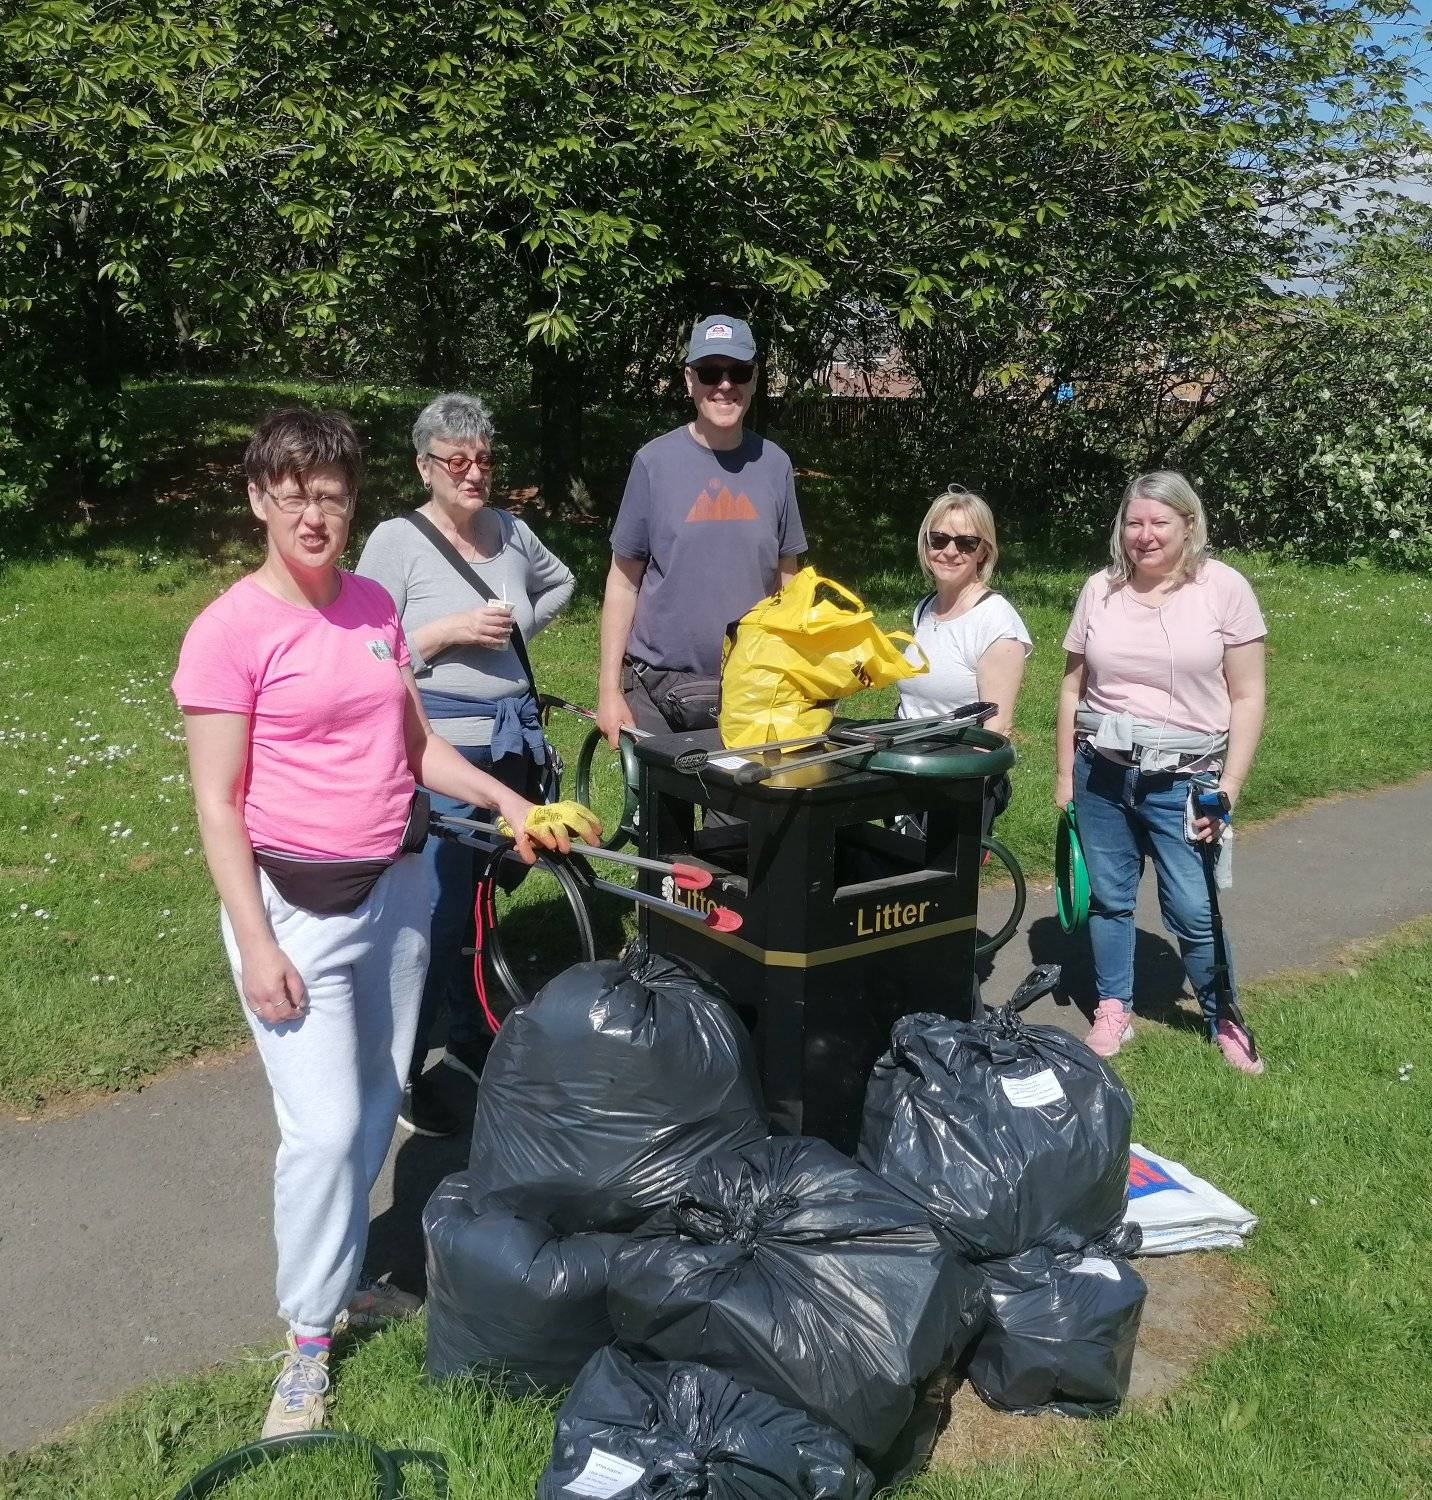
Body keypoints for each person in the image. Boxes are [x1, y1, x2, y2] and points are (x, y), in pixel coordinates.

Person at [172, 407, 565, 1439]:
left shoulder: (374, 610)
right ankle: (305, 1344)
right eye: (293, 494)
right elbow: (217, 801)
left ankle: (341, 1277)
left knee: (372, 1104)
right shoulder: (228, 631)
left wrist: (512, 803)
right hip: (295, 909)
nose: (314, 514)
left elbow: (416, 752)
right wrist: (255, 940)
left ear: (352, 503)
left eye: (331, 495)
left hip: (397, 892)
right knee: (321, 1131)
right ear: (259, 499)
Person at [356, 393, 575, 1136]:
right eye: (458, 461)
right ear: (426, 466)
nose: (475, 473)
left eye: (484, 459)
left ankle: (473, 1036)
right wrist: (447, 633)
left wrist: (518, 637)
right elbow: (366, 647)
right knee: (438, 910)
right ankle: (406, 1071)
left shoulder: (511, 531)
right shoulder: (396, 539)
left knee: (483, 899)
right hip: (440, 748)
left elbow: (562, 582)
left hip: (512, 744)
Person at [1054, 470, 1267, 1073]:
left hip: (1186, 779)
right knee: (1109, 900)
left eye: (1159, 523)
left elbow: (1248, 697)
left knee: (1194, 908)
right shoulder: (1100, 589)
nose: (1144, 536)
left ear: (1189, 525)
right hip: (1103, 773)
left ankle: (1222, 1012)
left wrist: (1227, 789)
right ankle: (1113, 1006)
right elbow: (1072, 688)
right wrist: (1065, 776)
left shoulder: (1222, 588)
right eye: (1134, 522)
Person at [596, 315, 806, 744]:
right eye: (710, 372)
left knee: (737, 811)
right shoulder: (654, 463)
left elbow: (790, 582)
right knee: (659, 812)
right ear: (689, 380)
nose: (724, 385)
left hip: (751, 686)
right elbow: (623, 582)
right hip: (658, 691)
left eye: (738, 372)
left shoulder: (775, 465)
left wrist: (797, 674)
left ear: (754, 379)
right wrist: (609, 690)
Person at [897, 485, 1031, 833]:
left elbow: (996, 728)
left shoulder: (996, 622)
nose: (949, 551)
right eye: (938, 539)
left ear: (983, 552)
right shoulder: (926, 609)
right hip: (907, 769)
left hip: (958, 782)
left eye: (966, 543)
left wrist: (962, 795)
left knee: (936, 885)